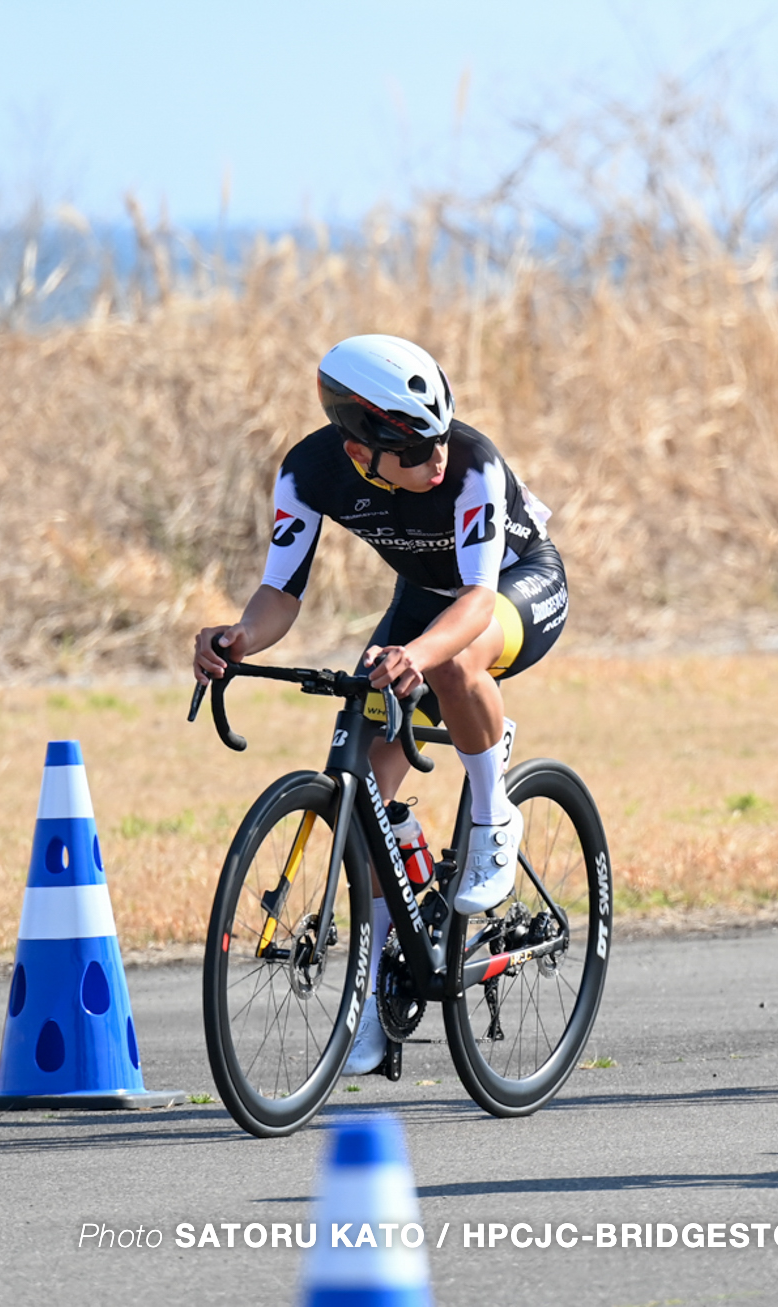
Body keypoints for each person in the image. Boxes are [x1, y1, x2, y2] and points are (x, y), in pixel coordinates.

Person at [193, 334, 568, 1072]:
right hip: (422, 601)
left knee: (455, 661)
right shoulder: (309, 471)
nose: (436, 460)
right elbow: (280, 592)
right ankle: (374, 990)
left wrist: (415, 656)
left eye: (438, 442)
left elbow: (476, 601)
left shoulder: (473, 468)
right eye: (417, 450)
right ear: (361, 446)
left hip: (514, 590)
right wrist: (241, 634)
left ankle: (495, 814)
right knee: (365, 794)